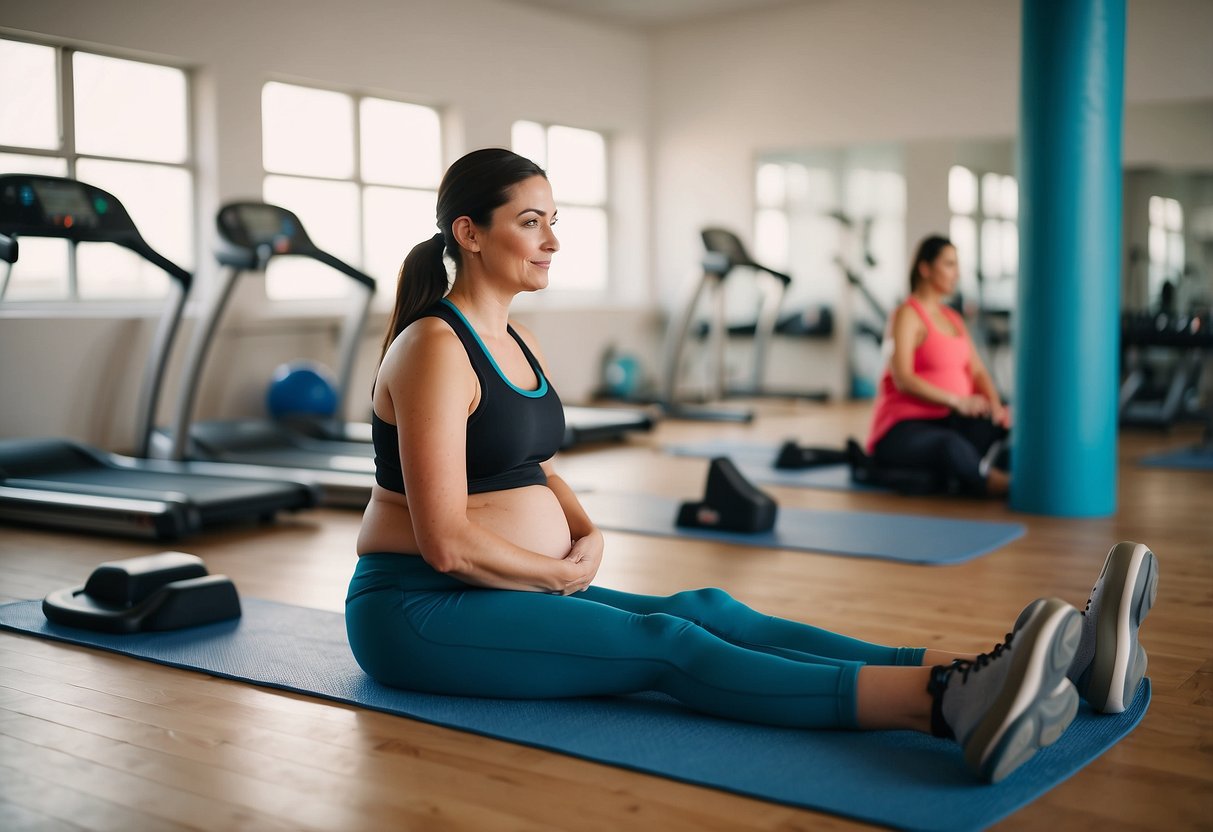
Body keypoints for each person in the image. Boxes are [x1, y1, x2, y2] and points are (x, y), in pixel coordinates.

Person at [346, 149, 1156, 784]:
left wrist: (583, 531)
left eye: (555, 219)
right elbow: (445, 538)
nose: (554, 238)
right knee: (666, 643)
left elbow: (529, 469)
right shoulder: (433, 347)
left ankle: (1035, 666)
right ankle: (947, 706)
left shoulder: (515, 339)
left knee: (710, 606)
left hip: (507, 581)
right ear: (469, 232)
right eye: (532, 221)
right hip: (421, 609)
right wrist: (552, 574)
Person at [865, 236, 1011, 496]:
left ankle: (975, 469)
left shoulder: (953, 318)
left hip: (948, 419)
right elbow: (903, 378)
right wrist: (957, 401)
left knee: (1002, 424)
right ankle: (999, 485)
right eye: (949, 264)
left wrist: (995, 406)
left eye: (956, 265)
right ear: (925, 269)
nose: (957, 273)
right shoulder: (907, 314)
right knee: (948, 445)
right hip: (905, 426)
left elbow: (977, 370)